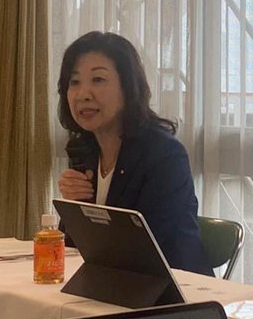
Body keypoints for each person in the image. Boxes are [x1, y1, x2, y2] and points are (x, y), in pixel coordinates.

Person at [55, 31, 211, 275]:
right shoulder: (84, 151)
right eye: (74, 82)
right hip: (110, 281)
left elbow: (148, 248)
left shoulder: (164, 155)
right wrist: (73, 205)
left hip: (171, 286)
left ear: (128, 87)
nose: (83, 94)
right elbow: (74, 248)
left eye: (98, 79)